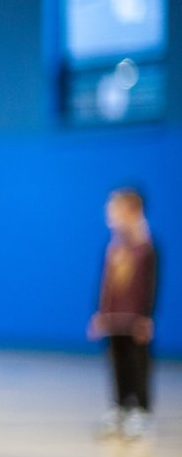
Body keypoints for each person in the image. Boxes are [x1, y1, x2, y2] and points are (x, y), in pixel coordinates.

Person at [88, 188, 157, 440]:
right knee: (116, 362)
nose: (110, 214)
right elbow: (107, 284)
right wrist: (101, 313)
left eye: (115, 208)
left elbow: (150, 285)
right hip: (114, 319)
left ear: (132, 211)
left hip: (135, 320)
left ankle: (141, 409)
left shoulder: (146, 247)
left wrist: (146, 317)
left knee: (138, 363)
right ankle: (120, 406)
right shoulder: (114, 247)